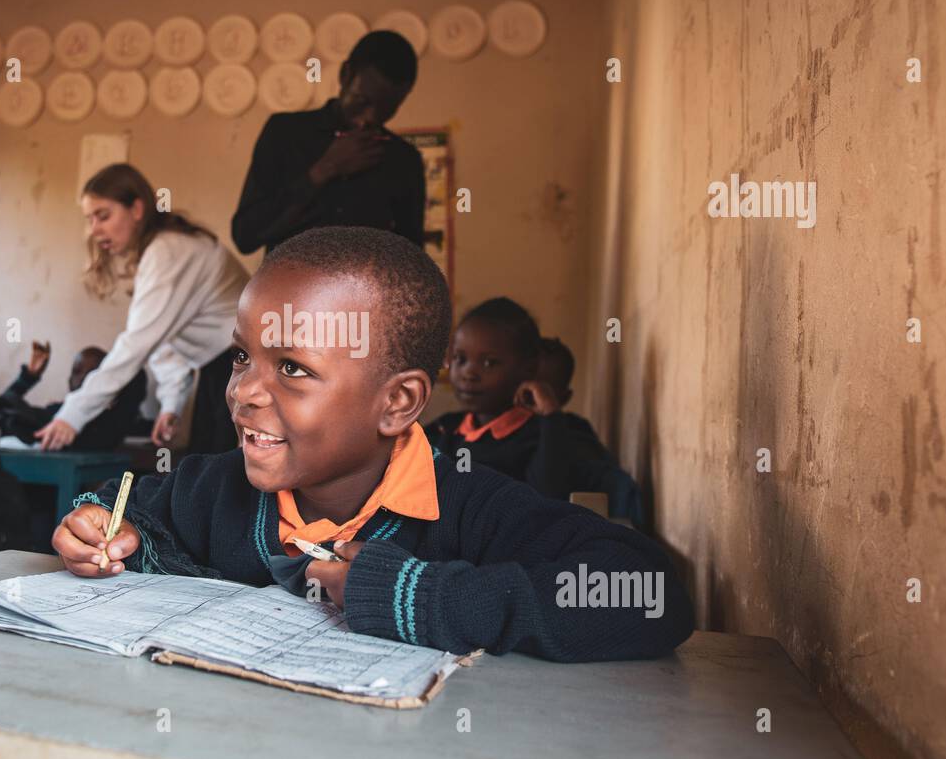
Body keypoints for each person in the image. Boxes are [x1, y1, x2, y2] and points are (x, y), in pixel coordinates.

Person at [52, 228, 693, 661]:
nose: (244, 392)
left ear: (398, 403)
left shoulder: (466, 507)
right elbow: (123, 504)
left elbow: (648, 591)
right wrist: (98, 526)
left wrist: (424, 596)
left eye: (293, 369)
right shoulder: (215, 487)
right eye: (242, 356)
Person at [35, 164, 249, 455]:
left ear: (136, 209)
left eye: (103, 216)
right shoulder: (160, 250)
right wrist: (172, 401)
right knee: (209, 474)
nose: (94, 229)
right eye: (89, 219)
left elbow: (138, 343)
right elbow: (162, 337)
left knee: (222, 474)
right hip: (220, 367)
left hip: (240, 365)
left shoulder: (169, 251)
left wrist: (72, 415)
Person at [230, 30, 425, 254]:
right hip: (289, 288)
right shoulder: (286, 133)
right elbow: (245, 236)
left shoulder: (403, 160)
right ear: (345, 75)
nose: (371, 117)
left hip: (366, 289)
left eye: (387, 109)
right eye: (362, 101)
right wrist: (324, 170)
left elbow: (412, 258)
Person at [426, 299, 617, 503]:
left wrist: (552, 416)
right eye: (459, 359)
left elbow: (550, 497)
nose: (468, 373)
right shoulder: (444, 428)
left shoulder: (538, 436)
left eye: (489, 363)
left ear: (528, 368)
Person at [0, 340, 145, 451]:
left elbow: (137, 376)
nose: (82, 378)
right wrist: (28, 377)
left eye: (93, 375)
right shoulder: (60, 414)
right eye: (76, 371)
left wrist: (114, 376)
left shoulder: (102, 425)